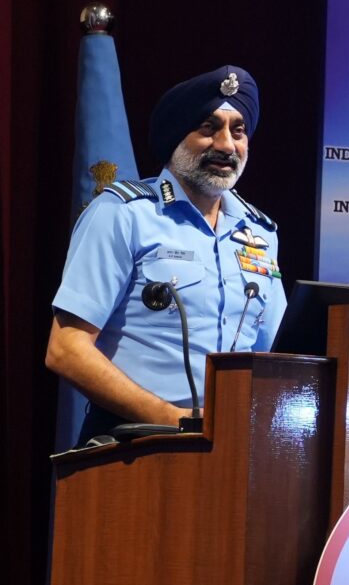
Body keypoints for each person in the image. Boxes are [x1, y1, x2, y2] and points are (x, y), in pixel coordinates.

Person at [46, 65, 286, 444]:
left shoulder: (259, 234)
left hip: (232, 451)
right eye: (209, 128)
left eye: (237, 131)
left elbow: (270, 357)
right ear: (176, 137)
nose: (226, 145)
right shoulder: (124, 214)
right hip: (132, 444)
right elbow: (66, 350)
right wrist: (177, 421)